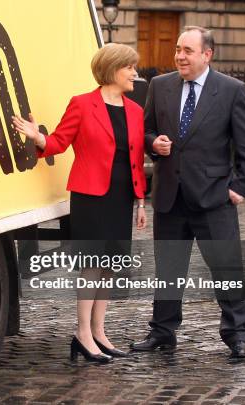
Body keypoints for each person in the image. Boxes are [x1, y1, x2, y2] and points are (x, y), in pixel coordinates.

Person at [12, 43, 147, 364]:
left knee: (111, 266)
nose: (135, 73)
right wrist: (37, 137)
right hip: (90, 197)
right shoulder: (82, 104)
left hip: (122, 197)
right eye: (130, 67)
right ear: (113, 69)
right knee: (91, 264)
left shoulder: (136, 110)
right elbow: (60, 141)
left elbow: (136, 159)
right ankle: (82, 333)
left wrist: (141, 202)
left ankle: (99, 332)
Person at [130, 26, 245, 358]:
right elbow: (145, 130)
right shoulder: (160, 86)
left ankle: (237, 333)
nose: (179, 56)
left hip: (214, 198)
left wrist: (239, 187)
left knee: (225, 267)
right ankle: (163, 331)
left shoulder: (232, 90)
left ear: (207, 54)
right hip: (170, 196)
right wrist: (153, 144)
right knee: (169, 267)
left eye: (187, 50)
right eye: (177, 49)